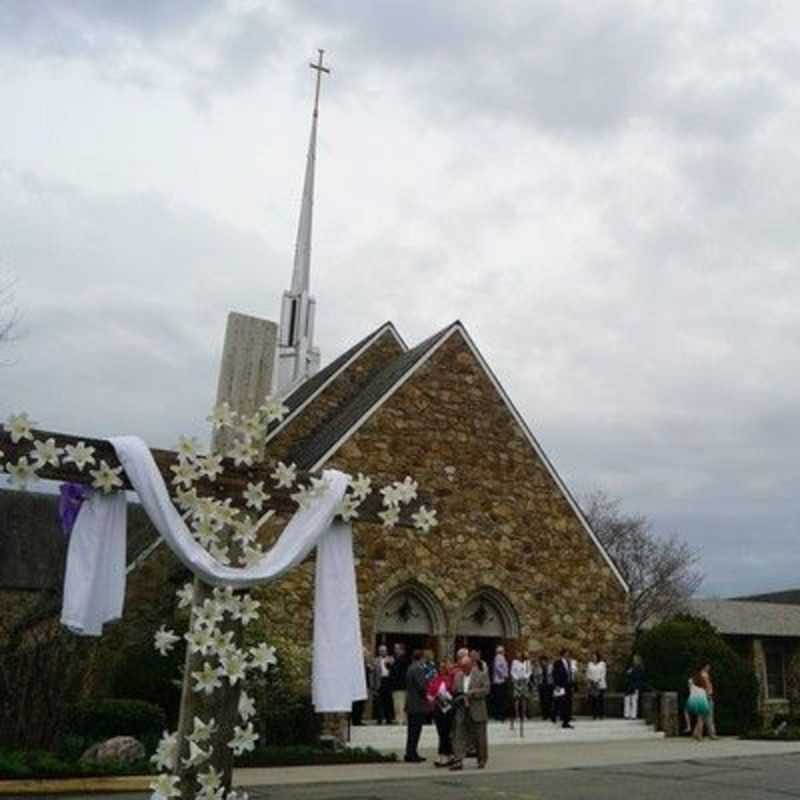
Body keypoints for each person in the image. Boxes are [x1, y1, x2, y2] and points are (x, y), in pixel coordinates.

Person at [450, 655, 490, 770]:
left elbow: (486, 689)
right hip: (462, 709)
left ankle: (481, 759)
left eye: (465, 666)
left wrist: (472, 693)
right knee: (459, 735)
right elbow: (454, 689)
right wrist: (458, 694)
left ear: (471, 665)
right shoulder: (458, 676)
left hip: (477, 709)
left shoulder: (481, 674)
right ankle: (458, 760)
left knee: (480, 737)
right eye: (461, 667)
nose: (463, 669)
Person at [427, 659, 455, 767]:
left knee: (446, 733)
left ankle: (444, 755)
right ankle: (447, 754)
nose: (442, 669)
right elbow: (429, 693)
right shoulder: (435, 680)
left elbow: (454, 691)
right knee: (441, 733)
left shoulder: (451, 679)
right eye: (441, 667)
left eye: (444, 667)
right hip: (438, 709)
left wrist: (448, 696)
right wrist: (432, 697)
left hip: (448, 710)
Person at [404, 649, 429, 762]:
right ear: (421, 658)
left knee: (411, 731)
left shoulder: (410, 668)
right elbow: (421, 686)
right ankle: (412, 753)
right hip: (417, 704)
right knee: (415, 731)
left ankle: (410, 752)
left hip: (411, 703)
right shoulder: (418, 669)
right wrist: (429, 694)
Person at [686, 671, 712, 741]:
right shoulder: (703, 679)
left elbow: (690, 689)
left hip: (694, 698)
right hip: (702, 698)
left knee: (699, 717)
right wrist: (708, 695)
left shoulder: (691, 680)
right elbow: (708, 689)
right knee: (700, 719)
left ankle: (695, 734)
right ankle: (699, 735)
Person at [551, 649, 574, 729]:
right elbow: (555, 674)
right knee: (559, 702)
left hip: (567, 685)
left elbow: (570, 673)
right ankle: (554, 716)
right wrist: (556, 685)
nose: (568, 655)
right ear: (563, 654)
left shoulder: (569, 663)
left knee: (567, 703)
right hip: (560, 686)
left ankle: (566, 721)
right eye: (566, 654)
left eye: (568, 654)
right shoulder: (558, 663)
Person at [509, 653, 531, 734]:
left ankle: (524, 714)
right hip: (517, 681)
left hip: (524, 681)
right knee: (516, 699)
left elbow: (529, 671)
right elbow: (512, 671)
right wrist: (516, 679)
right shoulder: (514, 662)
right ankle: (517, 715)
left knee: (524, 698)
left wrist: (526, 677)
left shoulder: (527, 663)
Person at [389, 642, 410, 724]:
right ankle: (402, 719)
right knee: (399, 704)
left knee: (399, 704)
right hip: (398, 686)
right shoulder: (398, 659)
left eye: (397, 648)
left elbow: (398, 672)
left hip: (400, 685)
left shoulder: (403, 659)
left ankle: (400, 720)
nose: (395, 650)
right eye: (395, 648)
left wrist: (391, 664)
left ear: (402, 650)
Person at [374, 644, 394, 724]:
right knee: (379, 702)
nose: (382, 652)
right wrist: (374, 685)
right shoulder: (375, 660)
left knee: (388, 701)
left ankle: (389, 718)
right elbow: (373, 674)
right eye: (381, 651)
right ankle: (379, 719)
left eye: (384, 650)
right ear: (379, 652)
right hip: (380, 681)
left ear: (386, 651)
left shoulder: (391, 659)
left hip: (388, 681)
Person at [353, 647, 373, 725]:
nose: (367, 656)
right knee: (357, 704)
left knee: (362, 703)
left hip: (364, 686)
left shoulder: (366, 664)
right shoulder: (358, 664)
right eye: (365, 654)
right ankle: (356, 720)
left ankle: (358, 719)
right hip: (358, 686)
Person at [698, 663, 718, 739]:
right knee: (705, 716)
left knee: (704, 717)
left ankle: (706, 734)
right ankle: (709, 734)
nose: (709, 668)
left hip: (705, 697)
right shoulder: (703, 676)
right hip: (705, 697)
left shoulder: (704, 675)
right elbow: (705, 687)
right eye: (707, 666)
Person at [586, 651, 608, 720]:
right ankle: (594, 714)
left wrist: (598, 680)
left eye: (595, 656)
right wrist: (591, 681)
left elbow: (603, 673)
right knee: (593, 700)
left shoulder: (602, 664)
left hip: (600, 684)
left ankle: (601, 714)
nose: (593, 658)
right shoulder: (590, 664)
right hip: (593, 684)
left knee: (601, 700)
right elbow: (588, 674)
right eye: (592, 657)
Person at [491, 645, 509, 721]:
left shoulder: (500, 657)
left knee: (500, 699)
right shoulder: (499, 657)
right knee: (500, 699)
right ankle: (499, 715)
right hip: (499, 681)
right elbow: (498, 668)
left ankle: (500, 714)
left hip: (500, 681)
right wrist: (504, 675)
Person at [623, 654, 645, 720]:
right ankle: (627, 714)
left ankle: (633, 715)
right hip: (629, 686)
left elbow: (638, 678)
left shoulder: (639, 668)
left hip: (635, 686)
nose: (634, 660)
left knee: (634, 701)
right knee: (627, 700)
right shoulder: (631, 667)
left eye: (635, 659)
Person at [532, 654, 553, 720]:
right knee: (542, 700)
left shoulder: (550, 667)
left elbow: (553, 675)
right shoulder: (538, 667)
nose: (543, 662)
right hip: (541, 685)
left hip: (549, 685)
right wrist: (536, 684)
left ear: (547, 661)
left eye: (544, 661)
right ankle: (544, 715)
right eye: (542, 661)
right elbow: (535, 676)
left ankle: (549, 714)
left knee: (549, 700)